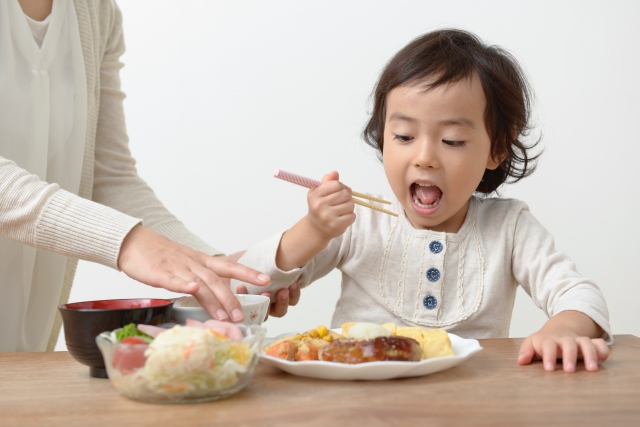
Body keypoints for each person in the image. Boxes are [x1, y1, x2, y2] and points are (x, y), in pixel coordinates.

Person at [231, 29, 611, 373]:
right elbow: (247, 282)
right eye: (404, 136)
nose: (424, 157)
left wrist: (563, 329)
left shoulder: (510, 227)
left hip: (470, 401)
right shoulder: (359, 220)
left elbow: (579, 294)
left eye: (452, 141)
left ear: (496, 149)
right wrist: (312, 230)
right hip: (359, 401)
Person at [0, 0, 297, 353]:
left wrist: (218, 271)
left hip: (23, 350)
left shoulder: (94, 11)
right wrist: (124, 241)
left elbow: (109, 177)